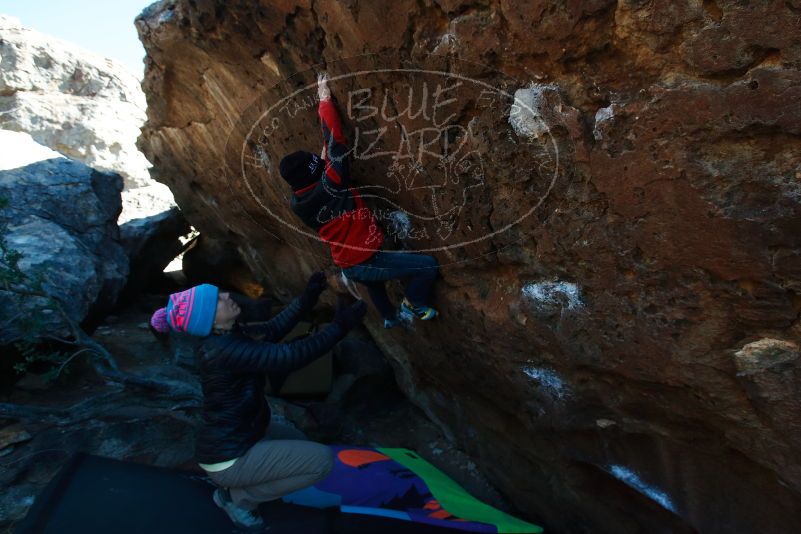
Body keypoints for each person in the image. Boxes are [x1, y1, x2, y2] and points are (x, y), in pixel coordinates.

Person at [149, 273, 367, 531]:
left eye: (221, 293)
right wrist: (340, 327)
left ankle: (244, 482)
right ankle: (237, 499)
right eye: (217, 300)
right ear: (209, 320)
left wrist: (308, 298)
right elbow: (289, 356)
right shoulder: (223, 351)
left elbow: (272, 330)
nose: (227, 295)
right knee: (319, 461)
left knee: (301, 445)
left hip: (242, 435)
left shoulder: (227, 336)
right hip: (229, 458)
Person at [279, 73, 439, 329]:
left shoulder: (298, 203)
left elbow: (324, 162)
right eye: (318, 165)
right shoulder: (332, 182)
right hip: (366, 260)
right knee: (427, 267)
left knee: (375, 286)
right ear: (316, 175)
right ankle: (414, 303)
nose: (322, 162)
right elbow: (335, 140)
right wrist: (324, 101)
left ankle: (388, 318)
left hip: (347, 263)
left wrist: (322, 165)